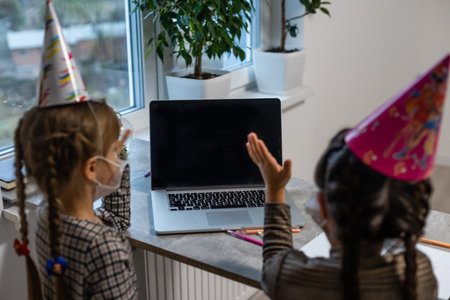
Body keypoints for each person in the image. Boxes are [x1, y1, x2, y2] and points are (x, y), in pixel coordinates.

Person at [246, 54, 449, 300]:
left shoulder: (296, 279)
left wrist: (275, 189)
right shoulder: (419, 274)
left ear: (323, 206)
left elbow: (273, 266)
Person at [12, 1, 137, 299]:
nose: (117, 155)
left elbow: (114, 224)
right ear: (92, 169)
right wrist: (116, 168)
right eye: (112, 150)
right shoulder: (105, 248)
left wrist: (114, 161)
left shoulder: (47, 218)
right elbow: (109, 236)